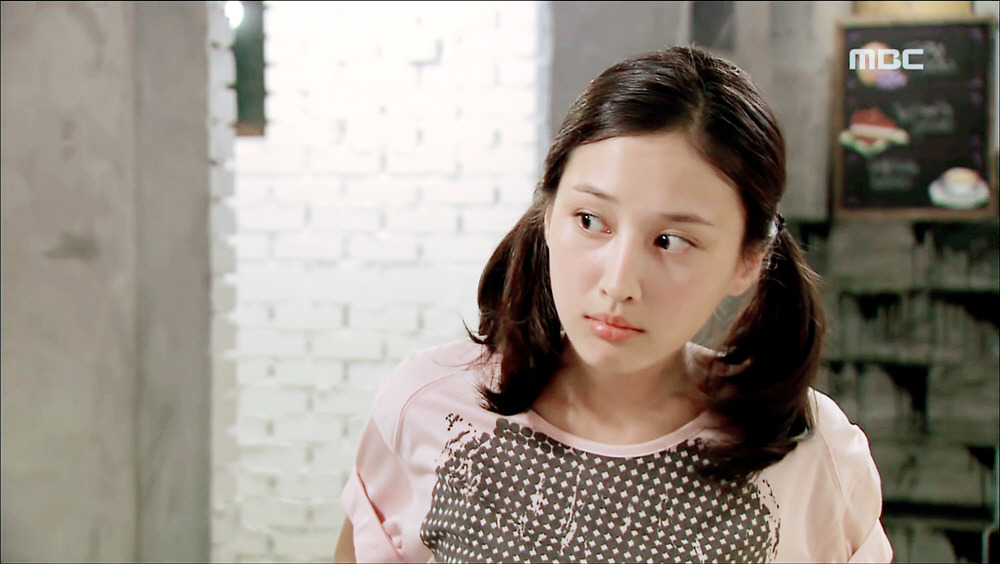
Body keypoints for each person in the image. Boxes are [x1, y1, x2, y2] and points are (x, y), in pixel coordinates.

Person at [335, 45, 893, 563]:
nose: (619, 282)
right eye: (590, 220)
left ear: (748, 260)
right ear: (549, 214)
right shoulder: (429, 407)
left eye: (670, 241)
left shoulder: (812, 451)